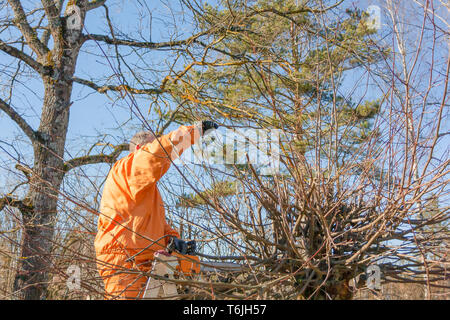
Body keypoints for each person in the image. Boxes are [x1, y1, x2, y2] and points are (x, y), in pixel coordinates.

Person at [94, 121, 219, 299]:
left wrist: (174, 241)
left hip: (146, 262)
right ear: (138, 149)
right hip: (125, 262)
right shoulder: (127, 169)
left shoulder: (147, 190)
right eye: (152, 144)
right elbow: (156, 152)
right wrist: (193, 132)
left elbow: (155, 225)